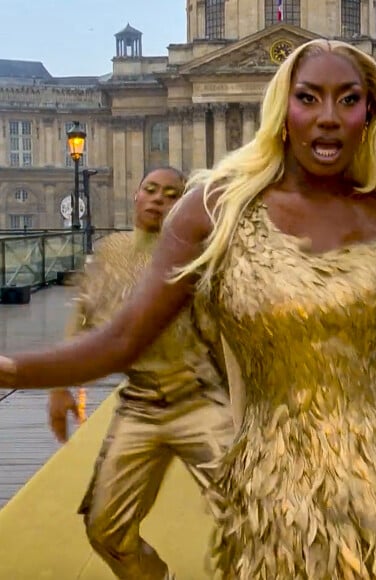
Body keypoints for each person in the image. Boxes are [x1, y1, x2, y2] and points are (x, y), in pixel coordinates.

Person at [0, 40, 376, 578]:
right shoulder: (212, 207)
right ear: (281, 109)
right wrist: (16, 369)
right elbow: (123, 339)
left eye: (349, 99)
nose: (329, 118)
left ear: (371, 113)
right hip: (282, 478)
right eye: (308, 98)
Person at [47, 167, 234, 580]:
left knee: (251, 511)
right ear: (135, 195)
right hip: (140, 405)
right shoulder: (111, 250)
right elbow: (83, 319)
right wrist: (61, 385)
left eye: (171, 195)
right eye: (151, 190)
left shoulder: (200, 255)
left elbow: (226, 330)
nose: (157, 200)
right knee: (104, 528)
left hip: (200, 397)